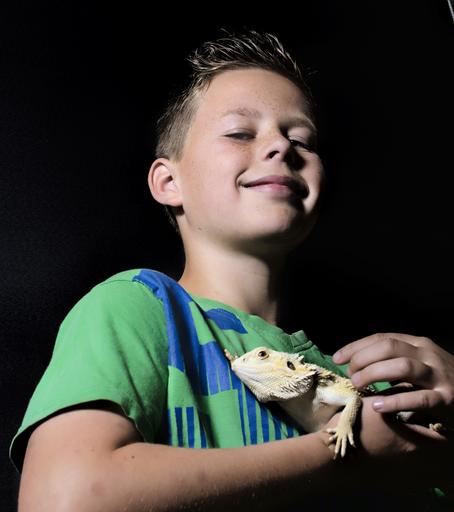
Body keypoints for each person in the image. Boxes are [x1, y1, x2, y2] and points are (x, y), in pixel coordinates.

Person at [11, 30, 454, 511]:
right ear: (168, 181)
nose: (281, 147)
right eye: (240, 133)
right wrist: (344, 453)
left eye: (302, 140)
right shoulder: (138, 306)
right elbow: (63, 498)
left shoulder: (374, 381)